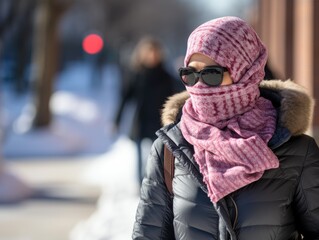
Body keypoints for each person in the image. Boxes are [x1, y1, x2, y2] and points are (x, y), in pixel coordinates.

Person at [132, 16, 319, 239]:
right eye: (190, 74)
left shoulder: (298, 152)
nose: (199, 86)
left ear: (245, 72)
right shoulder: (169, 151)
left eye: (212, 74)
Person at [115, 36, 176, 184]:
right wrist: (116, 120)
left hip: (159, 122)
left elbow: (174, 100)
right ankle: (140, 184)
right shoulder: (136, 75)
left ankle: (155, 183)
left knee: (157, 156)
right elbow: (125, 99)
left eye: (155, 52)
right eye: (149, 52)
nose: (152, 56)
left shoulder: (166, 76)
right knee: (140, 157)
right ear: (142, 54)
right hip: (140, 122)